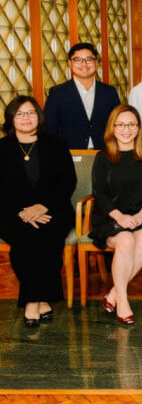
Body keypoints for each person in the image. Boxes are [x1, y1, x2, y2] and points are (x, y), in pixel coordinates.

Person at [0, 96, 76, 327]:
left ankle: (31, 302)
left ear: (39, 117)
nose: (25, 118)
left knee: (48, 240)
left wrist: (43, 206)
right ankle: (40, 300)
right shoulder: (1, 148)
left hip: (53, 209)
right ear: (11, 118)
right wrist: (22, 212)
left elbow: (67, 182)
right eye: (19, 113)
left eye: (30, 113)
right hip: (11, 213)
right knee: (24, 242)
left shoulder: (56, 145)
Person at [90, 105, 142, 325]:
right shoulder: (103, 156)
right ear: (113, 127)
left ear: (138, 127)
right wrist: (119, 217)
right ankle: (122, 299)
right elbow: (99, 193)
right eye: (121, 124)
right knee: (125, 240)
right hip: (110, 215)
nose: (126, 129)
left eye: (131, 124)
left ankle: (113, 293)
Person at [44, 42, 121, 149]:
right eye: (78, 60)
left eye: (89, 59)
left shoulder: (109, 92)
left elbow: (118, 124)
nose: (84, 64)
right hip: (70, 154)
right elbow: (50, 129)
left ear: (96, 63)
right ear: (70, 63)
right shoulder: (57, 93)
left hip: (105, 153)